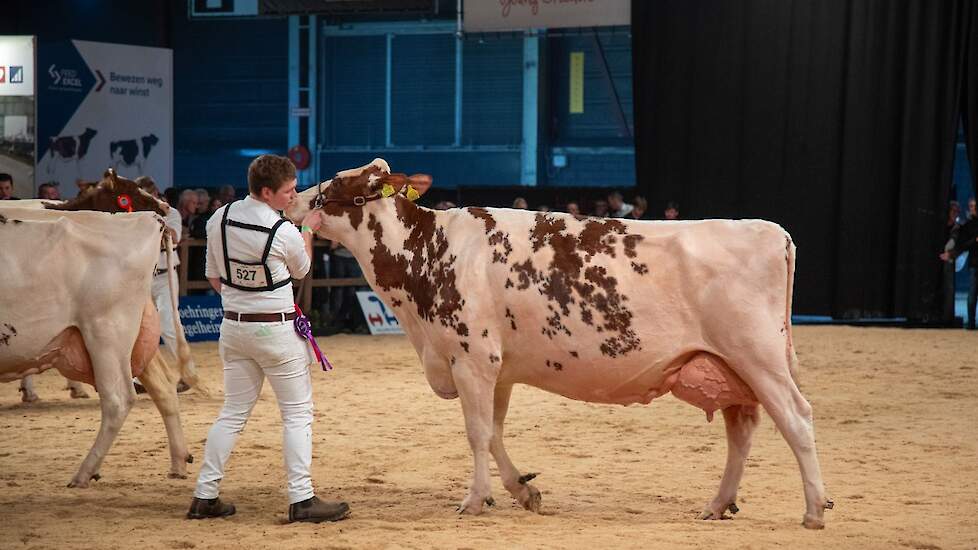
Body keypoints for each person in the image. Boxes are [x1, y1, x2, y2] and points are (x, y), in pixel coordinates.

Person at [189, 154, 349, 523]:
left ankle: (205, 494)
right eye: (288, 191)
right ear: (266, 191)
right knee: (296, 414)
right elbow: (303, 270)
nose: (293, 197)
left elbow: (214, 277)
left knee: (232, 413)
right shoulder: (283, 231)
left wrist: (242, 293)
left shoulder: (220, 218)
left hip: (233, 326)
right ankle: (301, 497)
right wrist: (307, 230)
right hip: (275, 329)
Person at [941, 198, 978, 329]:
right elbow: (964, 244)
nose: (972, 209)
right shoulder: (967, 225)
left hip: (973, 262)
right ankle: (972, 323)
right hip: (974, 263)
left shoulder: (964, 225)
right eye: (971, 206)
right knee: (972, 294)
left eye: (974, 206)